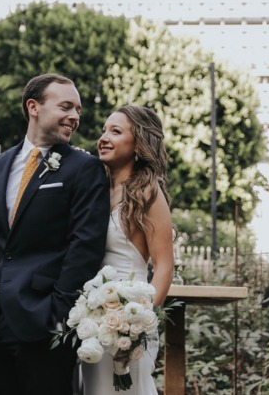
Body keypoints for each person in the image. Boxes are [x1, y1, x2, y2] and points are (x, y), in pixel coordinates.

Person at [0, 74, 110, 395]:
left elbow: (84, 247)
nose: (74, 116)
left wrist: (57, 314)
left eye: (78, 110)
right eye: (65, 106)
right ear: (34, 107)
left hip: (44, 324)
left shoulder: (84, 168)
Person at [82, 105, 175, 395]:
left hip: (128, 318)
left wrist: (136, 325)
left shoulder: (147, 192)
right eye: (104, 130)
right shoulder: (95, 187)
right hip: (91, 318)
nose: (103, 137)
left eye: (116, 131)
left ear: (138, 144)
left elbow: (163, 266)